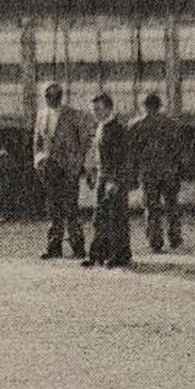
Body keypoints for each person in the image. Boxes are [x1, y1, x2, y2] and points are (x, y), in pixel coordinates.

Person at [33, 82, 95, 260]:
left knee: (71, 208)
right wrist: (37, 160)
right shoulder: (41, 115)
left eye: (55, 96)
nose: (51, 99)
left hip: (69, 169)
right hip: (50, 167)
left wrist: (79, 162)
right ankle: (54, 246)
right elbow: (37, 140)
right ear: (44, 98)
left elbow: (85, 140)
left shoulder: (73, 115)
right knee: (53, 207)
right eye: (48, 96)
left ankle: (77, 247)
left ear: (61, 96)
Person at [128, 93, 183, 252]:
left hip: (147, 172)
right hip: (168, 171)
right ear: (160, 105)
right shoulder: (171, 124)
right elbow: (178, 150)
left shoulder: (135, 125)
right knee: (172, 205)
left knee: (151, 207)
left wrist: (133, 174)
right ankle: (175, 237)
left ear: (142, 106)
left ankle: (155, 241)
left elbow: (132, 153)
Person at [84, 93, 133, 268]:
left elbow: (123, 158)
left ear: (109, 108)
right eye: (93, 110)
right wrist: (94, 175)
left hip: (113, 179)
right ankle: (98, 255)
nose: (94, 113)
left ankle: (119, 255)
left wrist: (116, 181)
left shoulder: (118, 129)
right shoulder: (101, 127)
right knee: (100, 217)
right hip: (103, 177)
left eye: (98, 109)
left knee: (116, 218)